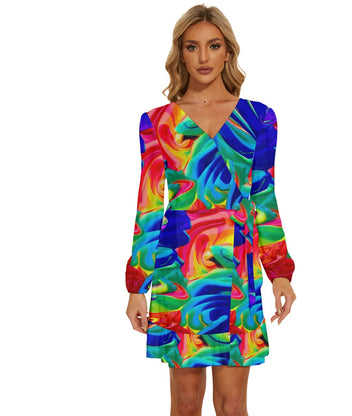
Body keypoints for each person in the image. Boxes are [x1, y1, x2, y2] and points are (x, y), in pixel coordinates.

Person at [125, 4, 297, 416]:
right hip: (180, 273)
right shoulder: (157, 123)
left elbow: (263, 198)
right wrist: (136, 284)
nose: (203, 57)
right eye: (192, 47)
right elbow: (150, 206)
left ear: (228, 52)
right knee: (185, 405)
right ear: (180, 54)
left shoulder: (259, 119)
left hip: (237, 272)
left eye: (213, 45)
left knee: (231, 405)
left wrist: (280, 271)